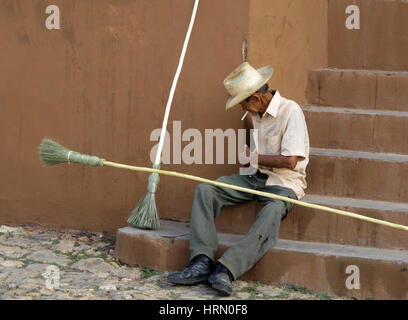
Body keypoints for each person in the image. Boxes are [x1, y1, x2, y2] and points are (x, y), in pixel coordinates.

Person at [167, 62, 310, 296]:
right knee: (206, 191)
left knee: (272, 212)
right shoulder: (254, 114)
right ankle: (202, 261)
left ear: (255, 97)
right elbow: (253, 156)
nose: (241, 107)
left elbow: (290, 161)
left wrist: (253, 157)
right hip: (256, 177)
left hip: (285, 183)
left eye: (243, 102)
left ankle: (227, 268)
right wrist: (250, 162)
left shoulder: (290, 110)